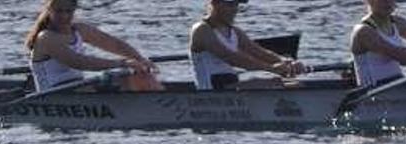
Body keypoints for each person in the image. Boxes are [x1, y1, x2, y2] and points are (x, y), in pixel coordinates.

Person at [26, 0, 162, 92]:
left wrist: (139, 59)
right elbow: (78, 62)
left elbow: (115, 44)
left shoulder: (80, 29)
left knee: (141, 75)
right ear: (49, 11)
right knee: (124, 74)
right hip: (54, 94)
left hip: (77, 88)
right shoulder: (46, 37)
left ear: (74, 10)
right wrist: (123, 63)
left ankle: (160, 104)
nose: (64, 16)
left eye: (69, 11)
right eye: (59, 11)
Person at [189, 0, 304, 91]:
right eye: (230, 4)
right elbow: (232, 58)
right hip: (212, 90)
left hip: (230, 84)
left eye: (236, 5)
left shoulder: (235, 32)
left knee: (292, 83)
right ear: (215, 3)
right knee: (275, 82)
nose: (235, 10)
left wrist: (286, 62)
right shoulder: (201, 30)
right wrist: (271, 68)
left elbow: (260, 53)